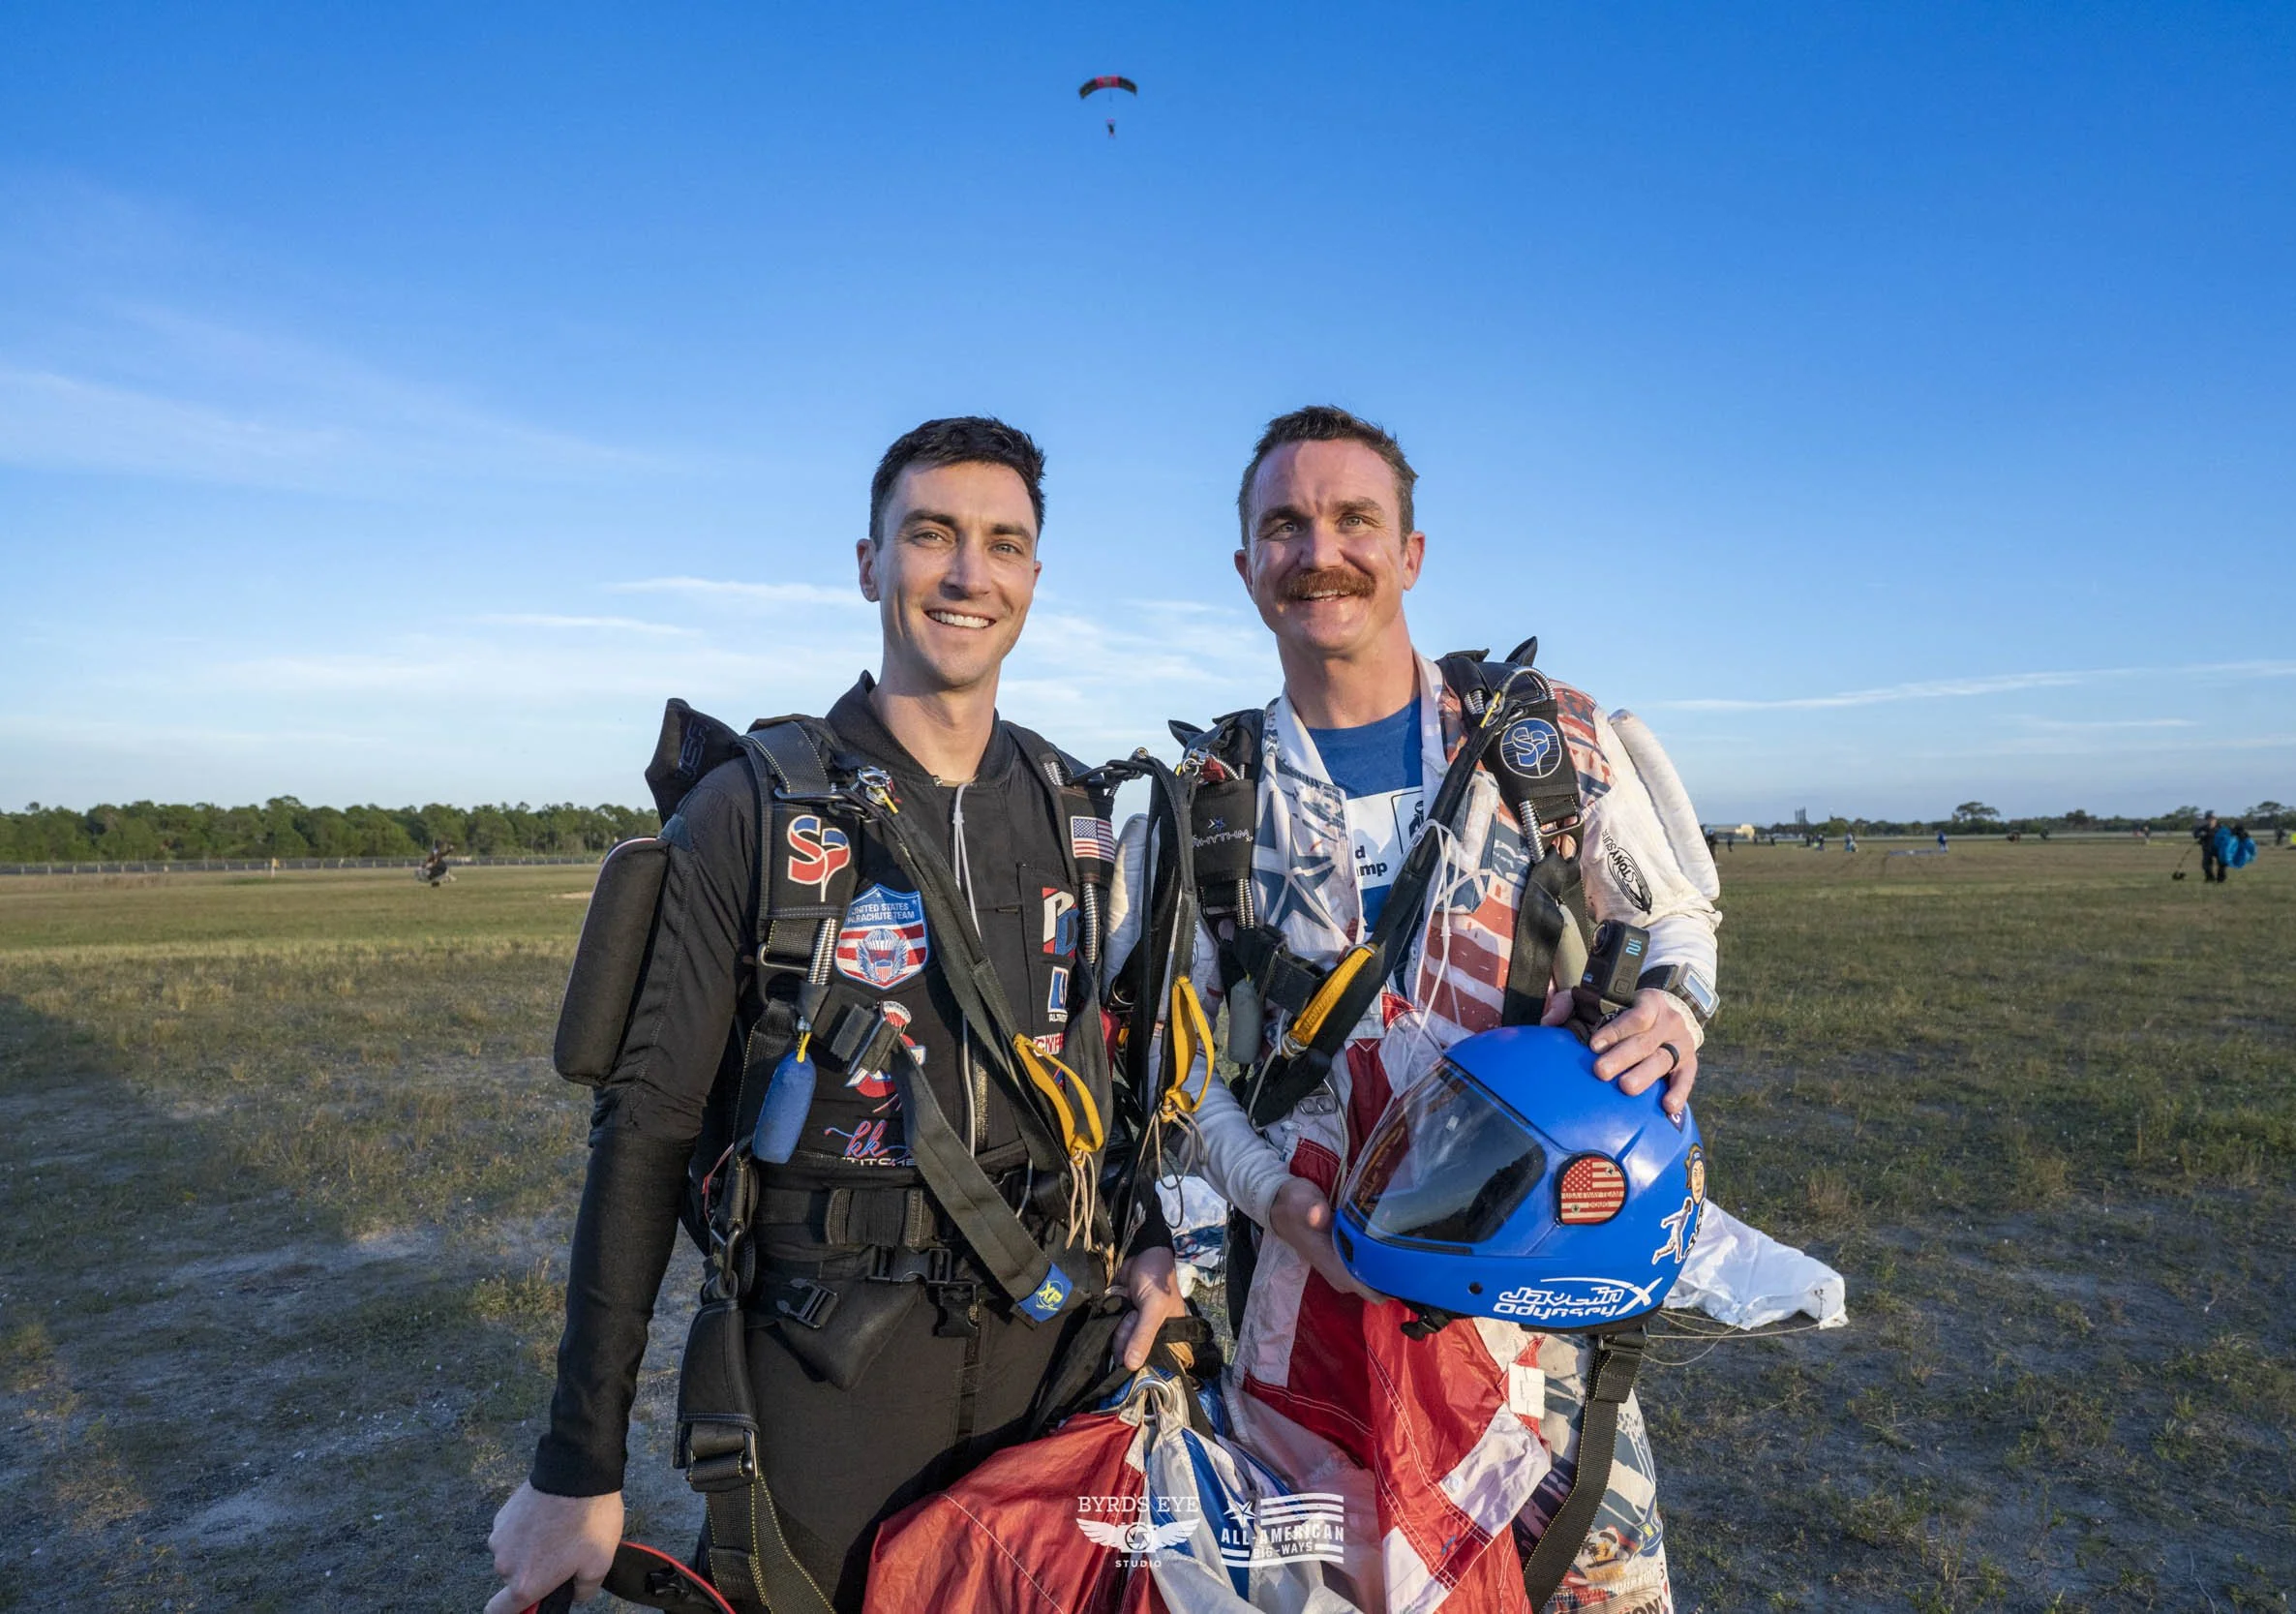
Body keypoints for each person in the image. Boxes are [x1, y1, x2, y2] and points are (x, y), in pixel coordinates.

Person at [486, 417, 1183, 1614]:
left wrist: (1156, 1234)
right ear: (870, 563)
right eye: (932, 534)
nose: (970, 573)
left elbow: (1111, 1079)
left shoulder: (1082, 816)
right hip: (827, 1383)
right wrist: (575, 1465)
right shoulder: (754, 809)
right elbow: (642, 1135)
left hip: (1054, 1378)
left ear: (1032, 577)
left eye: (1003, 543)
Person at [1112, 406, 1721, 1612]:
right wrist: (1268, 1199)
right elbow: (1179, 1074)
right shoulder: (1201, 811)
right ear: (1244, 567)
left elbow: (1678, 917)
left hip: (1543, 1311)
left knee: (1593, 1591)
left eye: (1352, 519)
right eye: (1283, 524)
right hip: (1305, 1322)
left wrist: (1672, 1005)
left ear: (1412, 552)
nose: (1317, 549)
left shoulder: (1543, 746)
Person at [2194, 809, 2225, 883]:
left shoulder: (2221, 827)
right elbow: (2195, 834)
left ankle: (2221, 879)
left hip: (2219, 848)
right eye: (2208, 818)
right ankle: (2210, 878)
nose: (2210, 820)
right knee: (2206, 865)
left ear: (2215, 819)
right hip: (2207, 848)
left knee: (2222, 864)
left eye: (2212, 818)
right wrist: (2200, 834)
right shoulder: (2203, 828)